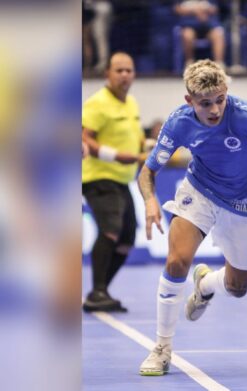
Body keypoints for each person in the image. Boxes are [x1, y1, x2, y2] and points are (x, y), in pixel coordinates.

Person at [138, 60, 247, 376]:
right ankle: (162, 347)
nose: (214, 110)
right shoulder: (179, 123)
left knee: (238, 288)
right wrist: (150, 201)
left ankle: (207, 283)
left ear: (226, 93)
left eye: (220, 100)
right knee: (176, 262)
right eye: (205, 103)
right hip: (201, 190)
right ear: (189, 101)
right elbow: (148, 171)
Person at [82, 52, 144, 312]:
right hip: (99, 177)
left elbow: (138, 141)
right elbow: (85, 139)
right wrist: (118, 156)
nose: (124, 75)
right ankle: (97, 291)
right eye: (119, 70)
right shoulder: (97, 103)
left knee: (127, 236)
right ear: (107, 73)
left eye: (128, 70)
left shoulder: (131, 104)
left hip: (122, 180)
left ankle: (100, 290)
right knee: (111, 229)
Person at [173, 0, 226, 68]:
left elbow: (215, 9)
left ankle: (219, 63)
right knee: (187, 34)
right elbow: (177, 9)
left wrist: (205, 11)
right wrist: (194, 11)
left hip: (208, 25)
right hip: (190, 24)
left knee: (218, 33)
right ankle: (189, 62)